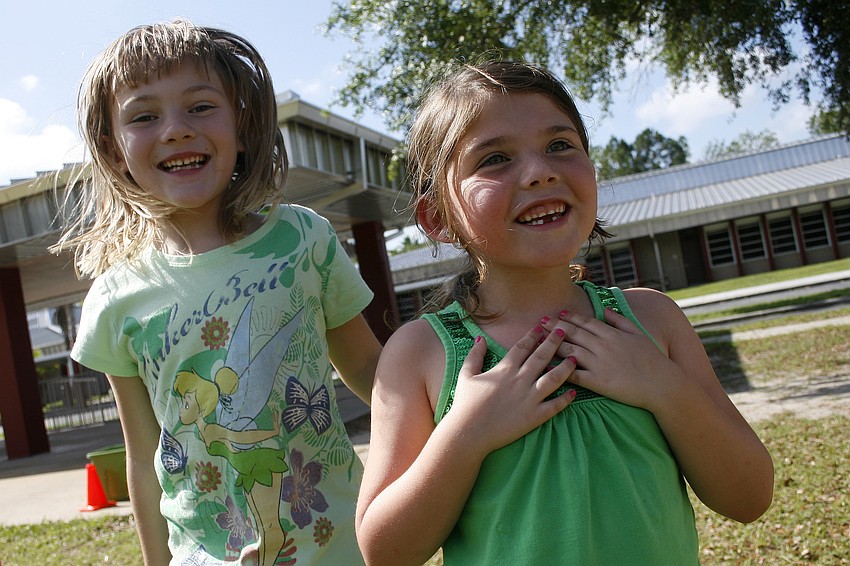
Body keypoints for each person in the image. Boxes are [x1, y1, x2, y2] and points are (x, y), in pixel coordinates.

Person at [355, 60, 774, 565]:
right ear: (438, 218)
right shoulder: (418, 354)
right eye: (494, 159)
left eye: (560, 145)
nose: (540, 171)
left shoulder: (654, 321)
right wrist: (466, 434)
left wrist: (662, 386)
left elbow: (750, 498)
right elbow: (384, 551)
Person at [52, 19, 381, 565]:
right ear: (113, 151)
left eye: (201, 106)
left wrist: (459, 430)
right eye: (144, 115)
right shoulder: (115, 298)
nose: (177, 129)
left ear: (244, 124)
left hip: (342, 546)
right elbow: (143, 455)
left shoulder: (303, 239)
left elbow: (372, 370)